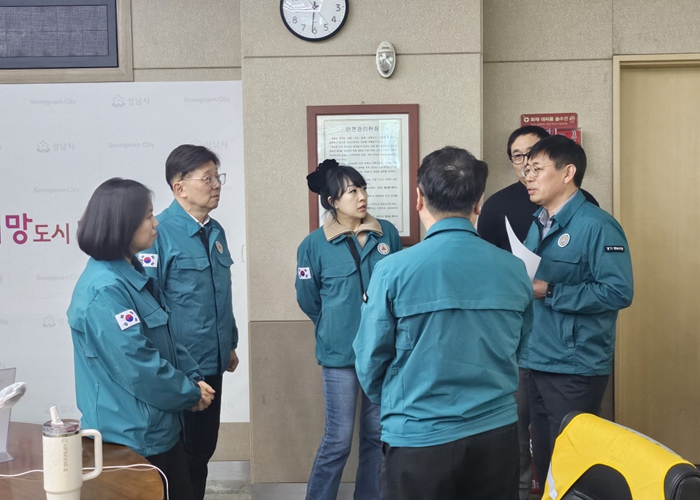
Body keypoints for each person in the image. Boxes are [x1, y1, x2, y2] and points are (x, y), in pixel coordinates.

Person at [353, 146, 534, 500]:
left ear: (419, 198)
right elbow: (521, 347)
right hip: (495, 435)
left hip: (418, 435)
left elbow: (370, 359)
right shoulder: (514, 270)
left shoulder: (392, 271)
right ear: (479, 202)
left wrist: (398, 400)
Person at [67, 178, 215, 500]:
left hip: (158, 432)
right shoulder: (105, 291)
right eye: (147, 216)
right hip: (130, 440)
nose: (155, 222)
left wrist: (192, 378)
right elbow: (138, 365)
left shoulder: (133, 275)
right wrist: (189, 393)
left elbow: (166, 338)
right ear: (122, 225)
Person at [477, 125, 599, 498]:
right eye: (520, 159)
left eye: (535, 160)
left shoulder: (588, 214)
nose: (527, 169)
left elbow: (610, 287)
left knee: (565, 443)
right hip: (516, 339)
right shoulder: (505, 208)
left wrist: (550, 290)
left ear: (563, 169)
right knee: (514, 428)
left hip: (565, 349)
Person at [520, 135, 634, 481]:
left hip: (573, 366)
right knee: (545, 459)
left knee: (573, 464)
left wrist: (551, 290)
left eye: (537, 169)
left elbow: (617, 292)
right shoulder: (539, 221)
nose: (528, 176)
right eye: (526, 169)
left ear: (568, 173)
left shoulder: (598, 225)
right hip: (535, 357)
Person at [296, 159, 402, 500]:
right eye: (352, 191)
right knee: (338, 439)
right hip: (339, 355)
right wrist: (333, 325)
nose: (362, 196)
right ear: (332, 201)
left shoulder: (387, 234)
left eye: (363, 188)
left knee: (375, 436)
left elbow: (398, 287)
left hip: (382, 352)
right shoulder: (313, 245)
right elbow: (308, 298)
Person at [138, 145, 239, 500]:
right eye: (207, 178)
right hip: (181, 368)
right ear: (179, 187)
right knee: (181, 456)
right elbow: (150, 305)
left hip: (212, 361)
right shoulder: (158, 233)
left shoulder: (215, 230)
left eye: (217, 177)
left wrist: (229, 343)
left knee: (203, 450)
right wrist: (175, 367)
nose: (217, 185)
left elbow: (220, 293)